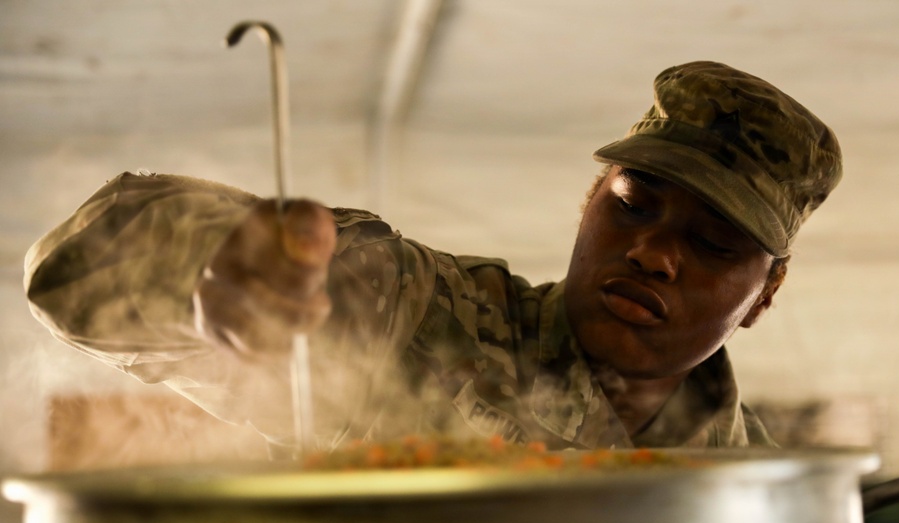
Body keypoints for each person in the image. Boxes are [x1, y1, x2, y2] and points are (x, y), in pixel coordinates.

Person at [24, 61, 842, 457]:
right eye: (633, 203)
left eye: (713, 245)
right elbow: (76, 273)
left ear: (764, 293)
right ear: (588, 201)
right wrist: (220, 262)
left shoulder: (756, 486)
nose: (655, 251)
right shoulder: (431, 319)